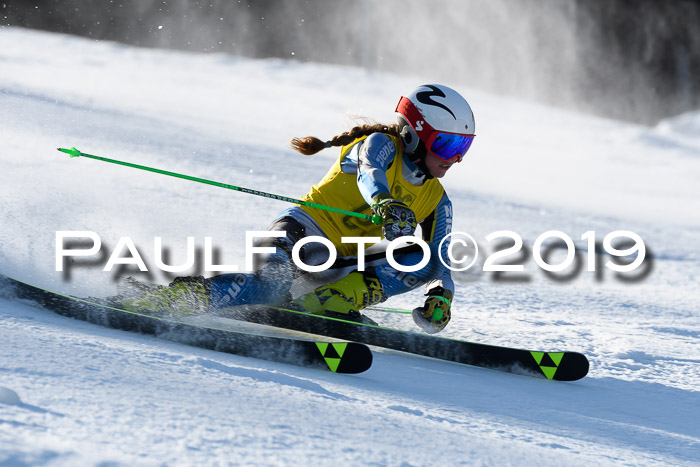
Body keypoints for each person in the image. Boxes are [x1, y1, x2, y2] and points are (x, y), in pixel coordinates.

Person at [123, 84, 476, 334]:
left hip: (339, 264)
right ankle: (180, 297)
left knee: (422, 256)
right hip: (299, 236)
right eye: (446, 144)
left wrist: (441, 296)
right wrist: (385, 203)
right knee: (271, 288)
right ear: (414, 135)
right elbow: (370, 175)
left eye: (463, 146)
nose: (455, 158)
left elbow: (441, 262)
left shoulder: (437, 200)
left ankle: (329, 302)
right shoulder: (380, 144)